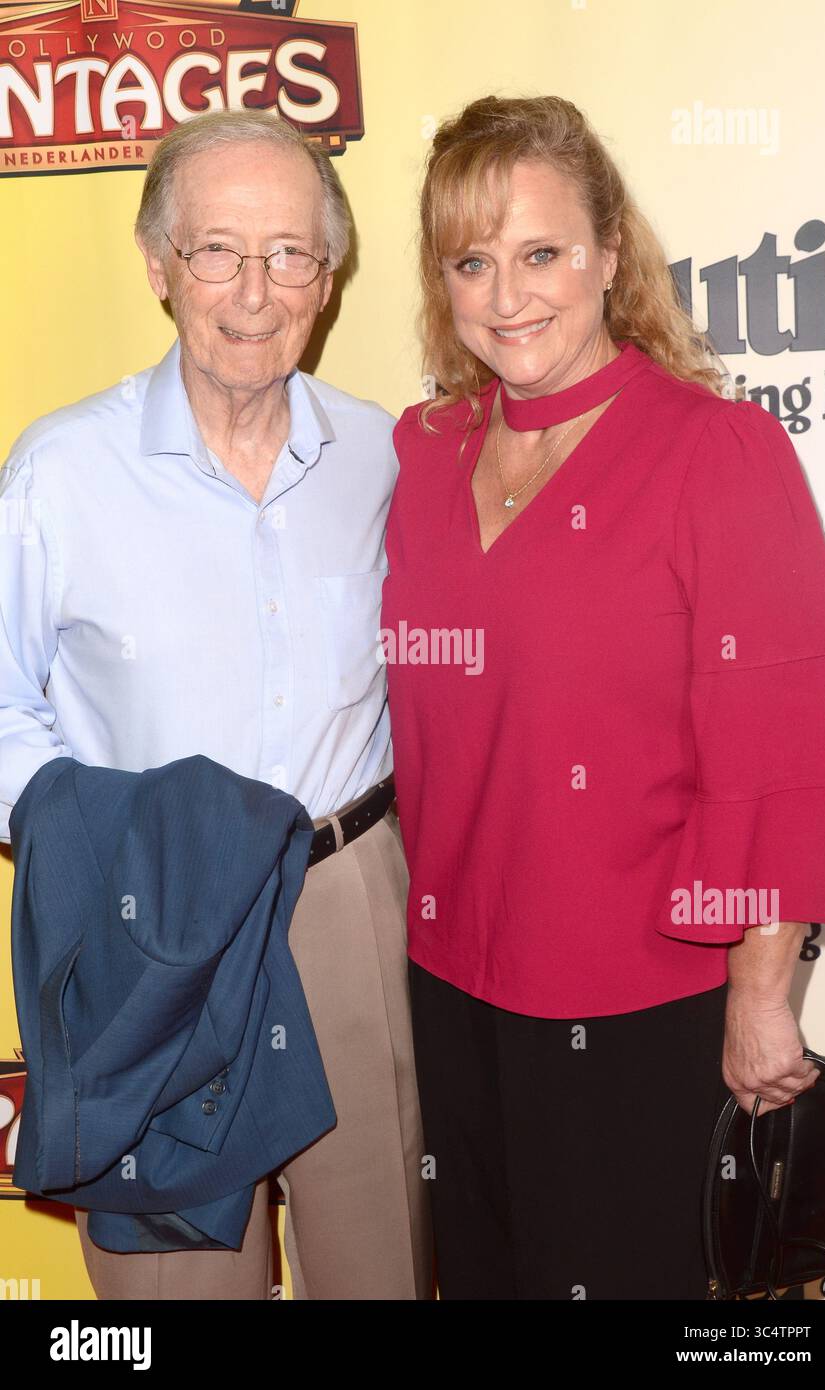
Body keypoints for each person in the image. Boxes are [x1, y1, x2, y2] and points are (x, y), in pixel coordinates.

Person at [381, 94, 825, 1300]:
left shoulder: (717, 451)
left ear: (607, 250)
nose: (508, 296)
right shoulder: (423, 450)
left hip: (640, 994)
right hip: (446, 983)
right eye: (472, 262)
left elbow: (781, 746)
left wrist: (763, 996)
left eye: (541, 252)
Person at [0, 108, 432, 1300]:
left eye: (291, 252)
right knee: (173, 1285)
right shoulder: (60, 472)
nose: (256, 289)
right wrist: (98, 838)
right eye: (218, 251)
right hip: (153, 925)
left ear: (329, 275)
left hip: (349, 898)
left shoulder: (386, 454)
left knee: (383, 1270)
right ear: (157, 265)